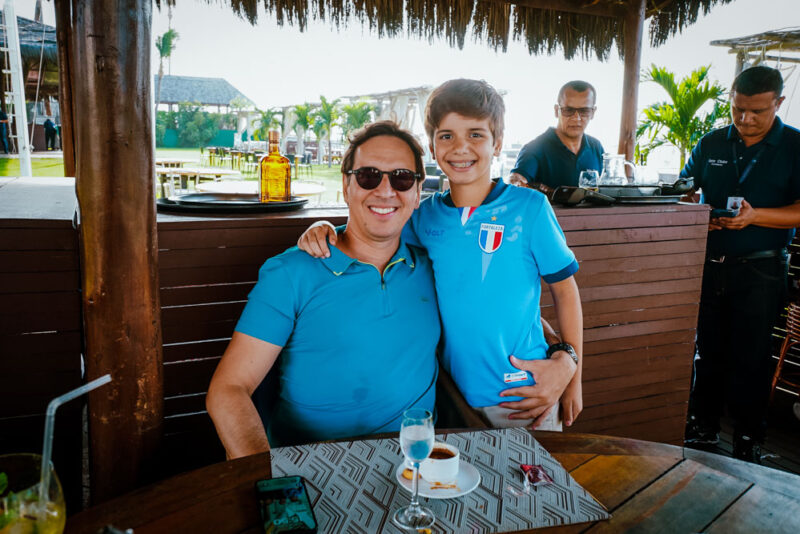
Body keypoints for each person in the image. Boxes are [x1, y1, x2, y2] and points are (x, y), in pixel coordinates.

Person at [299, 79, 584, 431]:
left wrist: (574, 377)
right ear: (432, 148)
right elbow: (370, 233)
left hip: (526, 393)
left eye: (476, 134)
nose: (460, 147)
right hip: (451, 396)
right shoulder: (422, 216)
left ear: (497, 143)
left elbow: (565, 291)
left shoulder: (531, 209)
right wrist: (327, 227)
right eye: (447, 135)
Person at [206, 121, 440, 459]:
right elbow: (228, 389)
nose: (386, 191)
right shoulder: (291, 272)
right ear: (347, 186)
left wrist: (549, 359)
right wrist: (265, 477)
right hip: (312, 462)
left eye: (402, 177)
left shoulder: (434, 268)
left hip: (415, 460)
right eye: (368, 175)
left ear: (418, 193)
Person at [681, 65, 800, 463]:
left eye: (757, 112)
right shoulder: (712, 143)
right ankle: (701, 429)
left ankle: (749, 441)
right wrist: (698, 211)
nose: (745, 120)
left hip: (763, 269)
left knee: (751, 357)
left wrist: (755, 216)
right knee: (706, 352)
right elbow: (683, 192)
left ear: (778, 103)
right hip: (710, 264)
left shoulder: (796, 146)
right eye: (737, 110)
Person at [509, 80, 604, 193]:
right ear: (556, 110)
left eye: (584, 111)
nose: (576, 118)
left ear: (593, 112)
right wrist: (550, 193)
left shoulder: (596, 147)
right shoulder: (535, 148)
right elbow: (515, 183)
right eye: (568, 110)